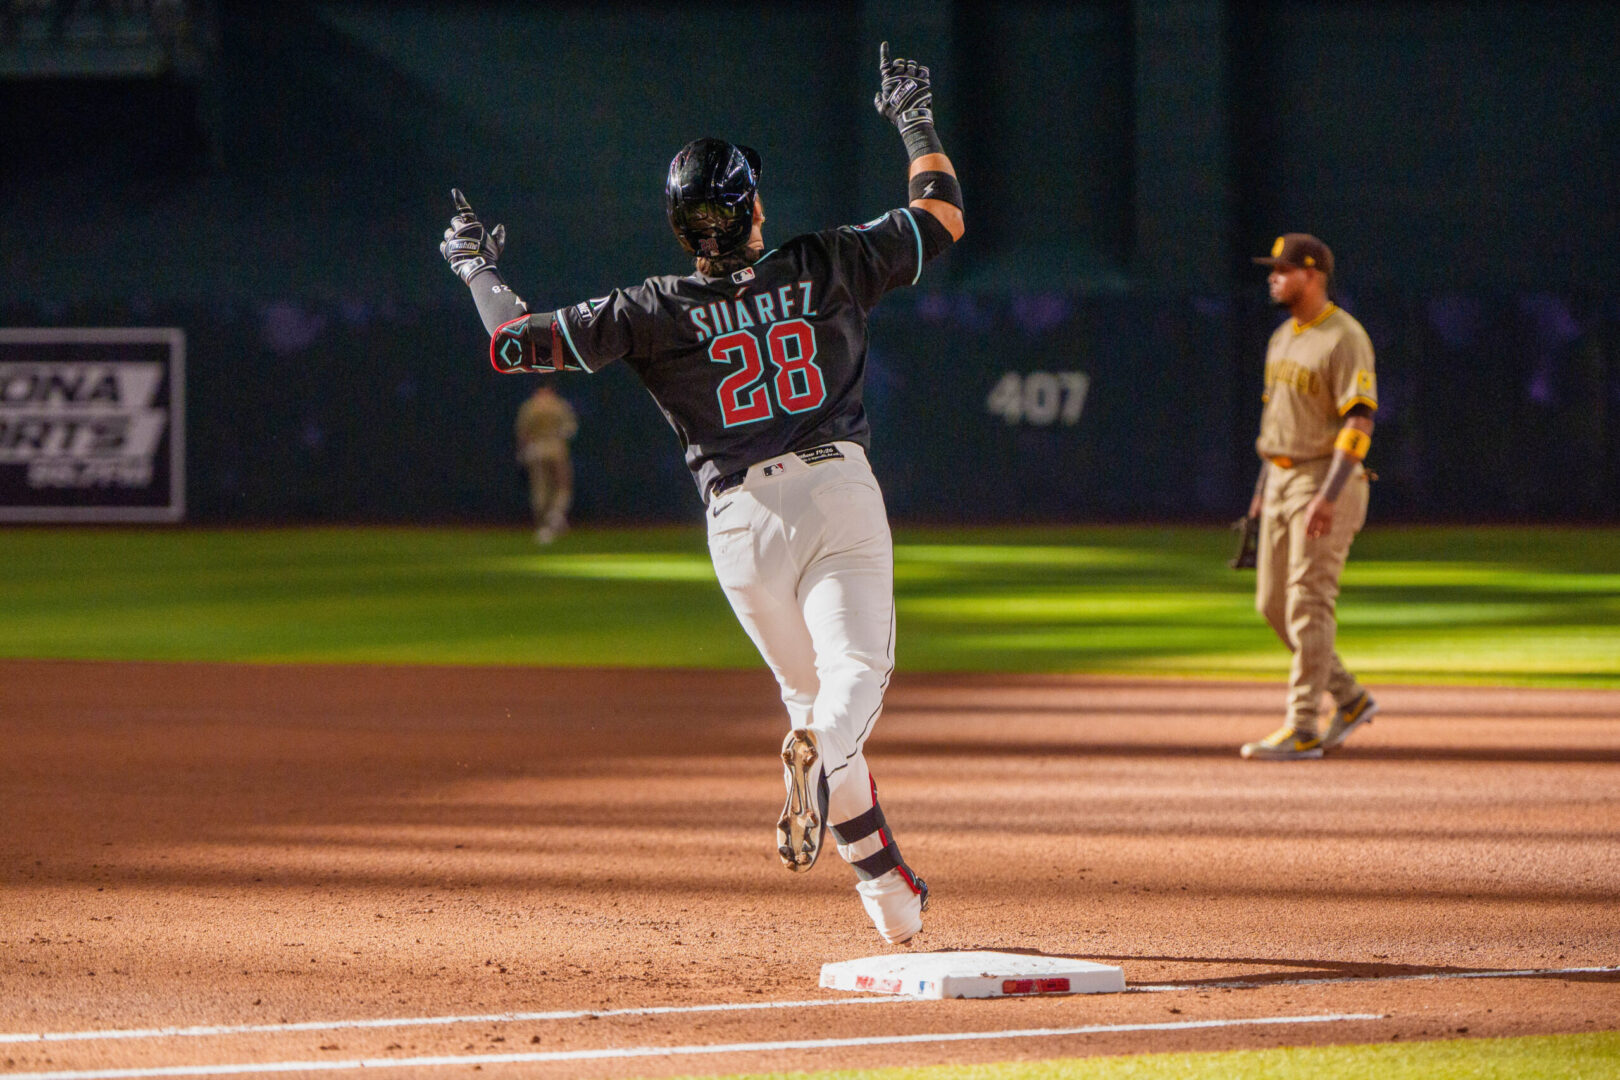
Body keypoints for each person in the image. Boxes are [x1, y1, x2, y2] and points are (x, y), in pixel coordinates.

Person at [439, 43, 964, 942]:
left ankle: (891, 902)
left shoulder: (652, 307)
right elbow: (942, 215)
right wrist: (915, 117)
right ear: (752, 206)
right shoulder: (825, 261)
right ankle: (819, 753)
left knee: (815, 707)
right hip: (834, 491)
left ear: (683, 226)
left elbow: (512, 343)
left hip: (738, 525)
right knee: (855, 684)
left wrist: (472, 266)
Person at [1239, 233, 1380, 760]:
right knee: (1273, 604)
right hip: (1278, 477)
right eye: (1271, 268)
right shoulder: (1282, 338)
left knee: (1308, 602)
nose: (1273, 277)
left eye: (1282, 269)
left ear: (1312, 274)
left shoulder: (1345, 337)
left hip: (1325, 479)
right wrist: (1261, 490)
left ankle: (1302, 725)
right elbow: (1277, 421)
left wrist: (1329, 494)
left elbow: (1360, 420)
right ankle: (1349, 698)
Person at [515, 385, 577, 544]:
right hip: (555, 448)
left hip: (536, 449)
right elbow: (570, 429)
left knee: (540, 488)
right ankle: (555, 514)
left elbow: (522, 432)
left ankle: (545, 525)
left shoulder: (530, 406)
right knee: (562, 486)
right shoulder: (558, 405)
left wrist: (522, 451)